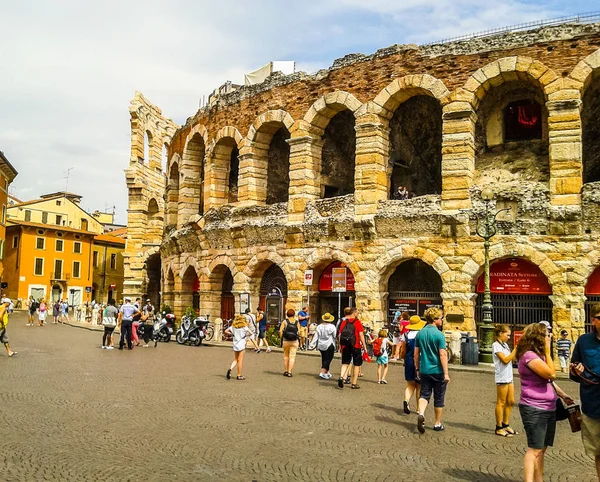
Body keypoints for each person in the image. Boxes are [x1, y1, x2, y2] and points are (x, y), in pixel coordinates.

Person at [517, 322, 573, 482]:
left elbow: (548, 380)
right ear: (538, 337)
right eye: (547, 335)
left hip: (549, 407)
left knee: (542, 449)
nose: (550, 337)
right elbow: (551, 373)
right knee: (534, 449)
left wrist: (562, 395)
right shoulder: (529, 356)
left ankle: (538, 480)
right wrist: (548, 353)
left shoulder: (538, 356)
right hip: (534, 407)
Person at [570, 303, 600, 479]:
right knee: (598, 451)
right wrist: (577, 372)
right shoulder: (583, 341)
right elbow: (573, 374)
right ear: (593, 320)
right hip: (592, 405)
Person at [414, 307, 449, 433]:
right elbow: (442, 355)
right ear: (435, 320)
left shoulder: (420, 333)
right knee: (439, 398)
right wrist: (446, 373)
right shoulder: (439, 335)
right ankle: (437, 423)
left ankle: (421, 413)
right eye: (440, 318)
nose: (442, 320)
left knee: (424, 394)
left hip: (424, 370)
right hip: (437, 370)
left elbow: (416, 354)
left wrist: (417, 368)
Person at [492, 324, 518, 437]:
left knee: (510, 401)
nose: (509, 337)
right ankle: (498, 427)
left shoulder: (506, 345)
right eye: (507, 335)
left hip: (509, 376)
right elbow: (505, 360)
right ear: (500, 333)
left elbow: (512, 358)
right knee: (501, 402)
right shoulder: (496, 345)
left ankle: (506, 424)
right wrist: (516, 349)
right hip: (502, 376)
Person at [400, 315, 425, 414]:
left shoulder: (405, 335)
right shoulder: (422, 334)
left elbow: (403, 351)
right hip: (420, 361)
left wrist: (403, 357)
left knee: (410, 385)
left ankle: (406, 401)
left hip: (409, 361)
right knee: (419, 386)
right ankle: (419, 408)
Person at [337, 307, 367, 389]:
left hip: (346, 345)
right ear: (354, 313)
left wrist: (340, 345)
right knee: (356, 364)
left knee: (345, 363)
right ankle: (354, 383)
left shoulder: (344, 322)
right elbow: (361, 335)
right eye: (357, 313)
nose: (358, 314)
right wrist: (364, 346)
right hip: (356, 345)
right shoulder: (357, 322)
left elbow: (340, 335)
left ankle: (342, 377)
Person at [225, 314, 251, 380]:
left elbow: (226, 331)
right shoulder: (244, 327)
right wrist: (245, 335)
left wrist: (232, 334)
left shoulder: (233, 326)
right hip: (241, 343)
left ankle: (230, 369)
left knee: (236, 359)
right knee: (240, 360)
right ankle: (239, 375)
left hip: (235, 343)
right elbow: (251, 333)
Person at [314, 312, 337, 379]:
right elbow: (335, 335)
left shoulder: (319, 326)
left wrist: (312, 344)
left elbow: (316, 336)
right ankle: (323, 371)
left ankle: (326, 371)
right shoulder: (332, 327)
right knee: (329, 358)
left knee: (324, 357)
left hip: (321, 344)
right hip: (329, 343)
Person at [279, 309, 299, 377]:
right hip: (294, 341)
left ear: (287, 314)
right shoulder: (297, 322)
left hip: (286, 340)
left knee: (286, 356)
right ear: (294, 315)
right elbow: (299, 332)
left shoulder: (285, 321)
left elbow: (280, 331)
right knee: (292, 357)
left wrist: (281, 338)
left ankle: (286, 371)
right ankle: (290, 372)